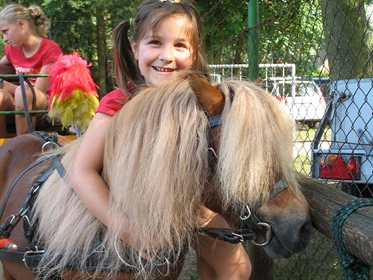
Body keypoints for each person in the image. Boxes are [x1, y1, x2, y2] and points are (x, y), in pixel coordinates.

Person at [70, 1, 251, 279]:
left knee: (236, 267)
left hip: (187, 208)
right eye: (155, 42)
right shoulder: (118, 104)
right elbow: (82, 172)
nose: (166, 56)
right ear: (134, 48)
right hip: (131, 206)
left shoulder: (197, 105)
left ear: (194, 54)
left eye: (180, 45)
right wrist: (128, 230)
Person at [0, 4, 63, 137]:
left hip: (44, 104)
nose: (4, 39)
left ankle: (23, 144)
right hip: (20, 101)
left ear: (21, 25)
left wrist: (4, 85)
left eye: (5, 32)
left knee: (23, 92)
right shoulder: (12, 50)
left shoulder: (50, 50)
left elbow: (38, 91)